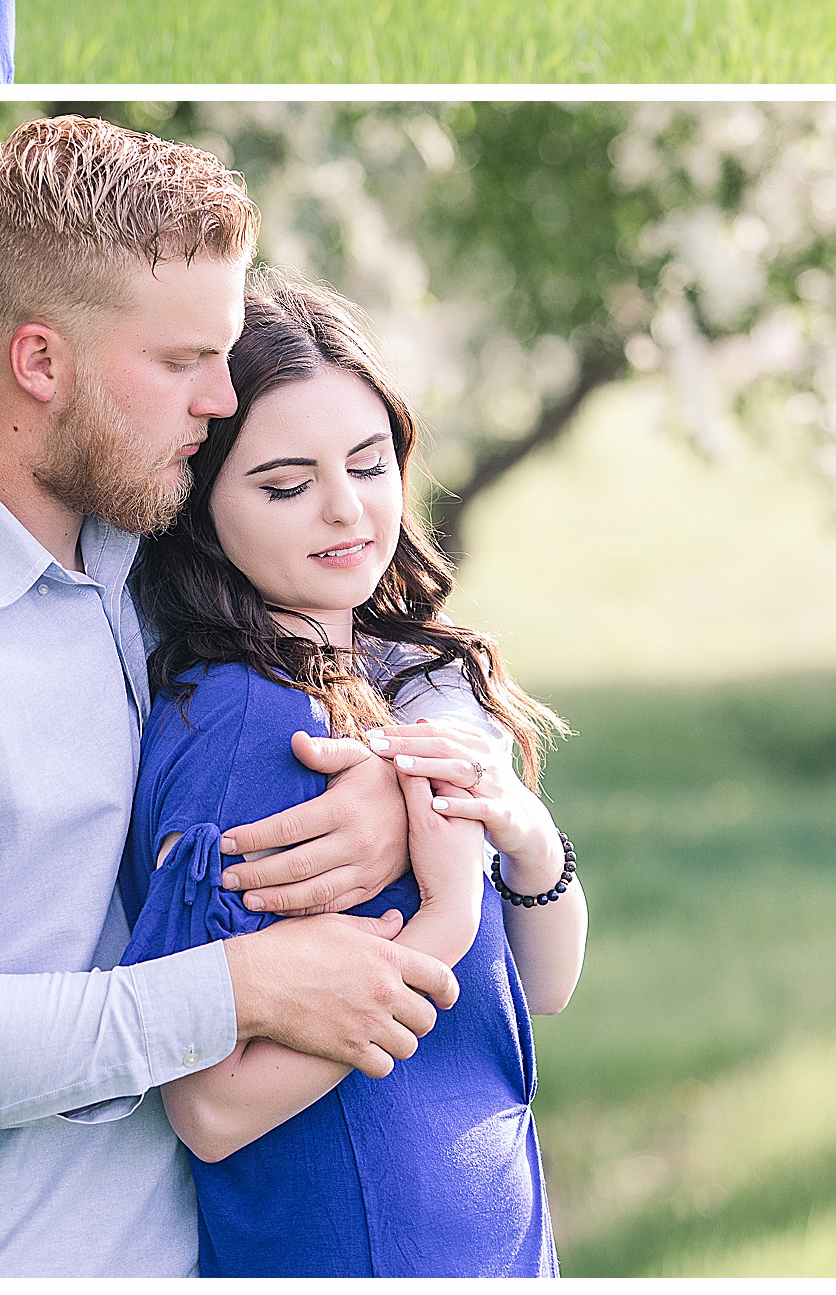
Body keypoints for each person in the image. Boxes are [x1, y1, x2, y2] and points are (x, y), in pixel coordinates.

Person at [0, 116, 461, 1277]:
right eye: (182, 362)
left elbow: (380, 632)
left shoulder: (146, 555)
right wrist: (243, 983)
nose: (222, 399)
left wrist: (392, 788)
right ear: (39, 362)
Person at [123, 275, 588, 1277]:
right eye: (285, 483)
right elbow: (210, 1107)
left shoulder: (393, 690)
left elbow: (543, 989)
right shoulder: (247, 727)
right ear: (202, 508)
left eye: (370, 463)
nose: (346, 510)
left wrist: (524, 832)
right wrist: (447, 918)